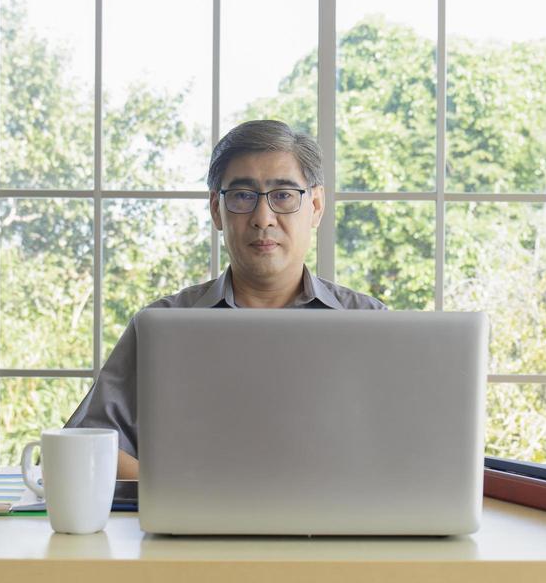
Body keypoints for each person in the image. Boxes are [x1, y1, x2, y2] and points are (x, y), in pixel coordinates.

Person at [65, 119, 386, 478]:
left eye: (283, 195)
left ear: (315, 205)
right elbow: (83, 444)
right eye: (243, 196)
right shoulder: (164, 326)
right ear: (217, 210)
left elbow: (406, 448)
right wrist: (184, 493)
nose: (263, 219)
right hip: (191, 530)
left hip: (339, 529)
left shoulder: (371, 322)